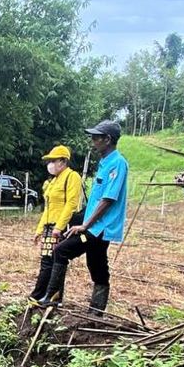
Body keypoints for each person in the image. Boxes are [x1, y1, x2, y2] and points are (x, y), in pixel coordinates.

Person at [35, 120, 128, 314]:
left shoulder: (117, 164)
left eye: (96, 137)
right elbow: (94, 201)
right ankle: (96, 310)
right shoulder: (104, 163)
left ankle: (52, 298)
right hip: (93, 223)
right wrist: (77, 220)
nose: (93, 141)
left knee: (61, 250)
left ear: (107, 139)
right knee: (96, 262)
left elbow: (108, 199)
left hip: (101, 226)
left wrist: (84, 225)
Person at [28, 145, 83, 306]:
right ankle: (43, 295)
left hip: (61, 226)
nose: (50, 164)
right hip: (48, 226)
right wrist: (39, 229)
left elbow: (71, 204)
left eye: (53, 160)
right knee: (47, 260)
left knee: (55, 260)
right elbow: (48, 208)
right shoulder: (53, 181)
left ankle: (48, 296)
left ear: (63, 161)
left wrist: (59, 227)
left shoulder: (72, 177)